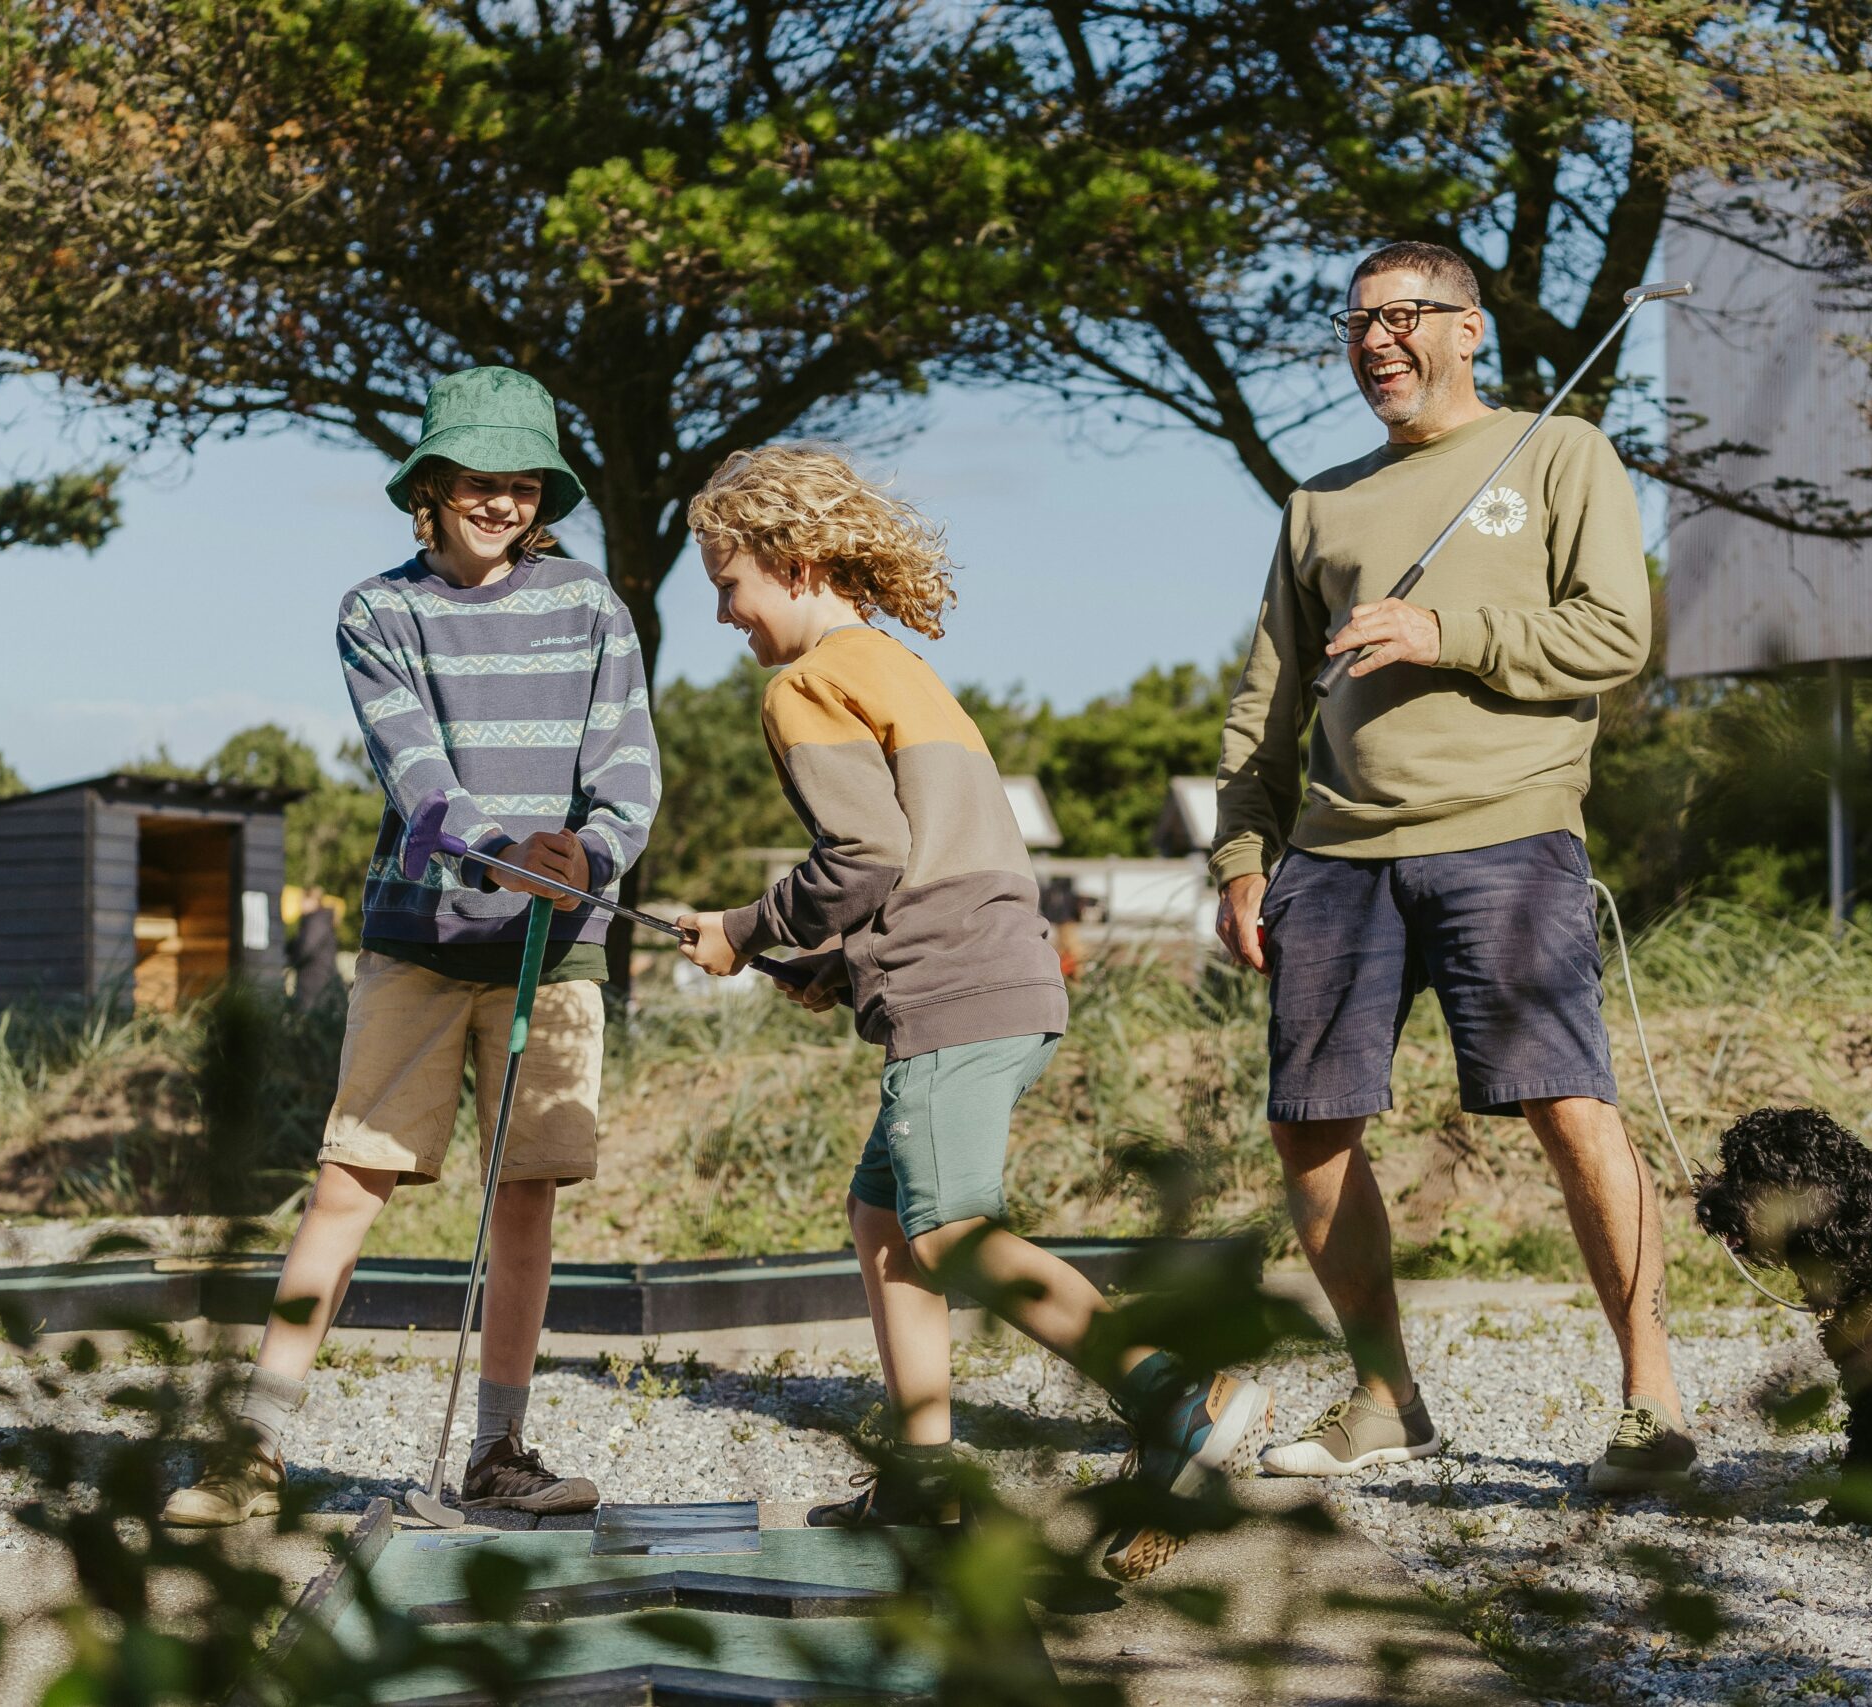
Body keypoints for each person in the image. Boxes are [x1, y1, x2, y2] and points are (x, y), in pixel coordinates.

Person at [675, 444, 1273, 1581]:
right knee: (884, 1219)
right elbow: (929, 861)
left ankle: (1176, 1395)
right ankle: (922, 1473)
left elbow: (864, 854)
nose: (722, 613)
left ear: (794, 564)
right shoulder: (897, 667)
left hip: (954, 990)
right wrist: (838, 966)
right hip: (998, 972)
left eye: (728, 583)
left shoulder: (804, 688)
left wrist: (745, 929)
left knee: (946, 1226)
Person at [1211, 240, 1692, 1493]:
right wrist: (1243, 856)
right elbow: (1267, 704)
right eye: (1356, 322)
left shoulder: (1560, 451)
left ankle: (1650, 1400)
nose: (1375, 340)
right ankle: (1386, 1401)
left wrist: (1445, 630)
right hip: (1335, 856)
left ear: (1467, 329)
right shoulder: (1318, 504)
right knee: (1308, 1129)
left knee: (1567, 1107)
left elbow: (1615, 634)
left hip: (1506, 830)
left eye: (1404, 316)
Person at [162, 367, 659, 1526]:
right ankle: (252, 1451)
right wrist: (498, 849)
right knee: (348, 1184)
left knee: (524, 1202)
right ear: (427, 486)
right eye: (476, 478)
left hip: (555, 947)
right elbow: (415, 774)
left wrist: (589, 852)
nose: (500, 501)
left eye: (522, 483)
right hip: (419, 939)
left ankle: (499, 1452)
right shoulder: (375, 612)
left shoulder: (592, 606)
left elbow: (628, 767)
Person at [287, 885, 341, 1010]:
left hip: (314, 979)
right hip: (319, 977)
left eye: (303, 900)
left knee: (310, 1013)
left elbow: (306, 948)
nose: (300, 904)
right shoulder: (319, 920)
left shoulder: (316, 921)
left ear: (314, 901)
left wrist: (291, 960)